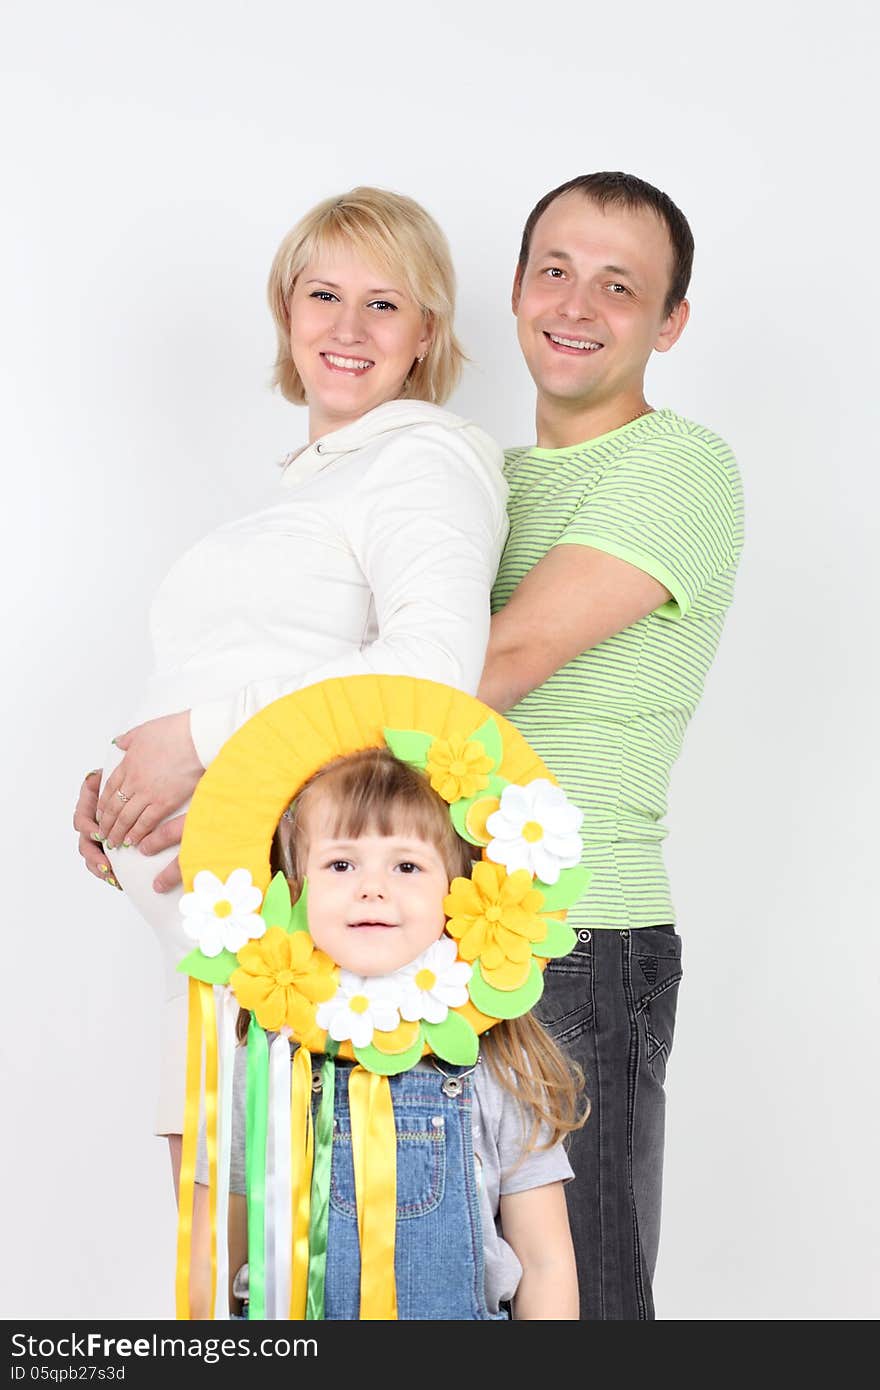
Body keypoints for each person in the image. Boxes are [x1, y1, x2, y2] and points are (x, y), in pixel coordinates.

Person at [73, 187, 508, 1183]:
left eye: (384, 303)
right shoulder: (321, 477)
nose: (347, 328)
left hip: (307, 957)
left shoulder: (425, 458)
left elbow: (435, 669)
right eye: (322, 294)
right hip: (234, 966)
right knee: (235, 1285)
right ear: (286, 309)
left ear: (426, 331)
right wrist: (124, 796)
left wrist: (197, 742)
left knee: (310, 1268)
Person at [477, 172, 745, 1320]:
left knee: (584, 1312)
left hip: (578, 944)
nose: (575, 304)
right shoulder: (482, 481)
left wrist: (205, 749)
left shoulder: (676, 467)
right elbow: (363, 694)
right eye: (555, 269)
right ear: (517, 288)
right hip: (432, 931)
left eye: (619, 286)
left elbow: (492, 666)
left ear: (668, 322)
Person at [188, 742, 584, 1320]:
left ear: (458, 892)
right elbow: (213, 1258)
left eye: (406, 866)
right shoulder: (262, 1061)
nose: (372, 887)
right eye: (341, 864)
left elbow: (546, 1262)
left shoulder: (499, 1061)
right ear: (294, 888)